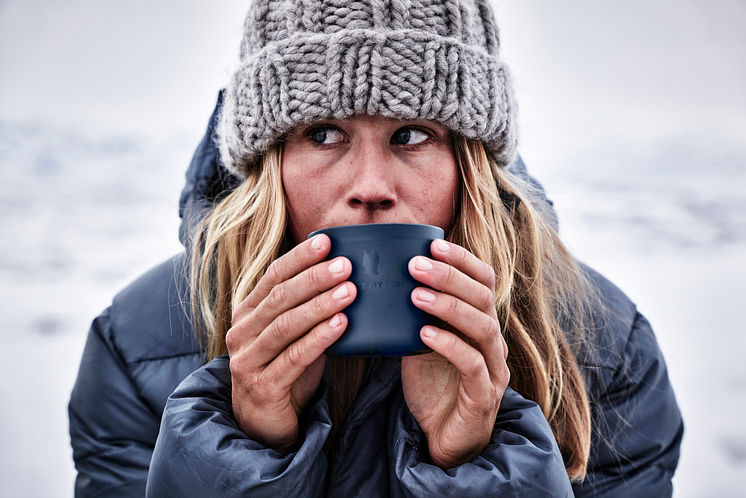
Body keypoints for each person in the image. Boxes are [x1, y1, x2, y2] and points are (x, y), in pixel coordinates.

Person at [69, 0, 683, 496]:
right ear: (270, 165)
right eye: (324, 133)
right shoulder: (135, 346)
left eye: (412, 134)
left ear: (470, 164)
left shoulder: (604, 348)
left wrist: (473, 463)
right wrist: (244, 443)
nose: (370, 188)